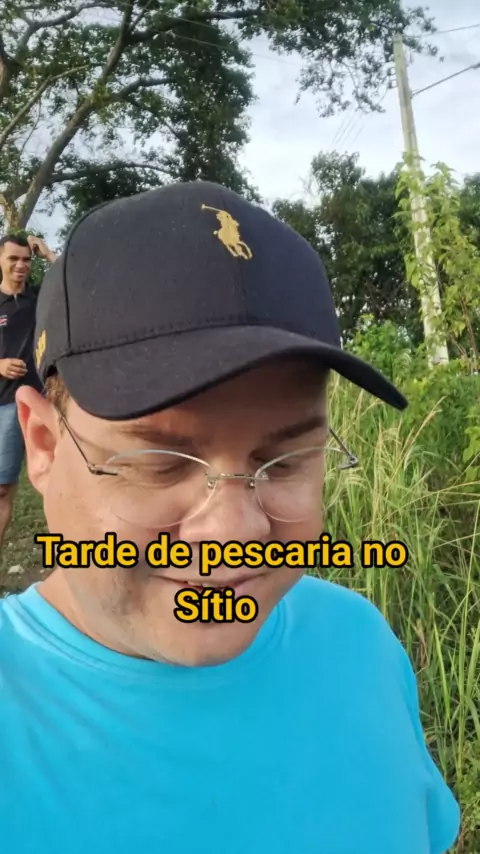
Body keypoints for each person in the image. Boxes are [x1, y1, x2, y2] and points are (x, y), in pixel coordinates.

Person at [1, 182, 460, 854]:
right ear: (42, 446)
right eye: (160, 462)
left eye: (286, 460)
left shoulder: (360, 644)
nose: (234, 531)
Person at [0, 233, 56, 551]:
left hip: (44, 400)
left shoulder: (39, 297)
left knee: (61, 479)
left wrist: (46, 252)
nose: (21, 265)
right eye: (13, 258)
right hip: (6, 405)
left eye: (25, 259)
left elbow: (69, 277)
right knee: (3, 488)